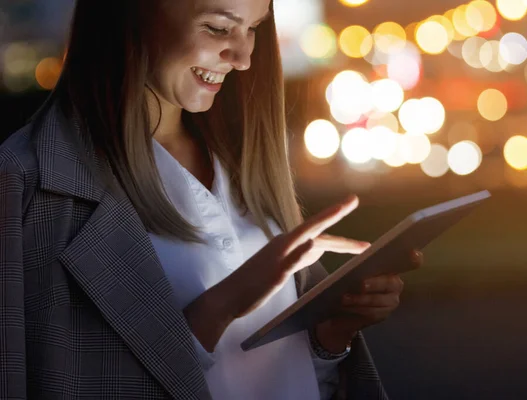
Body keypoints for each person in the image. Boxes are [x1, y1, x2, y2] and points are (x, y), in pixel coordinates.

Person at [0, 0, 423, 399]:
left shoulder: (243, 163)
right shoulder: (26, 185)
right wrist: (221, 306)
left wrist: (330, 335)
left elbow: (288, 379)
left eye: (254, 28)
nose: (243, 58)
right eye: (218, 27)